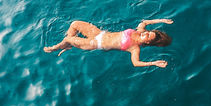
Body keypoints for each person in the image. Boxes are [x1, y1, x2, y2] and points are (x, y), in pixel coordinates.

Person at [44, 19, 173, 68]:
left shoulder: (134, 48)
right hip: (99, 34)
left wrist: (154, 63)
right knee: (75, 24)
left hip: (94, 44)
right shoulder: (139, 31)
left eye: (147, 36)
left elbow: (136, 63)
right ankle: (70, 45)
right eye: (147, 32)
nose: (145, 34)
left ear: (149, 42)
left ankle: (55, 48)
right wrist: (161, 20)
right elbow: (144, 22)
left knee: (67, 39)